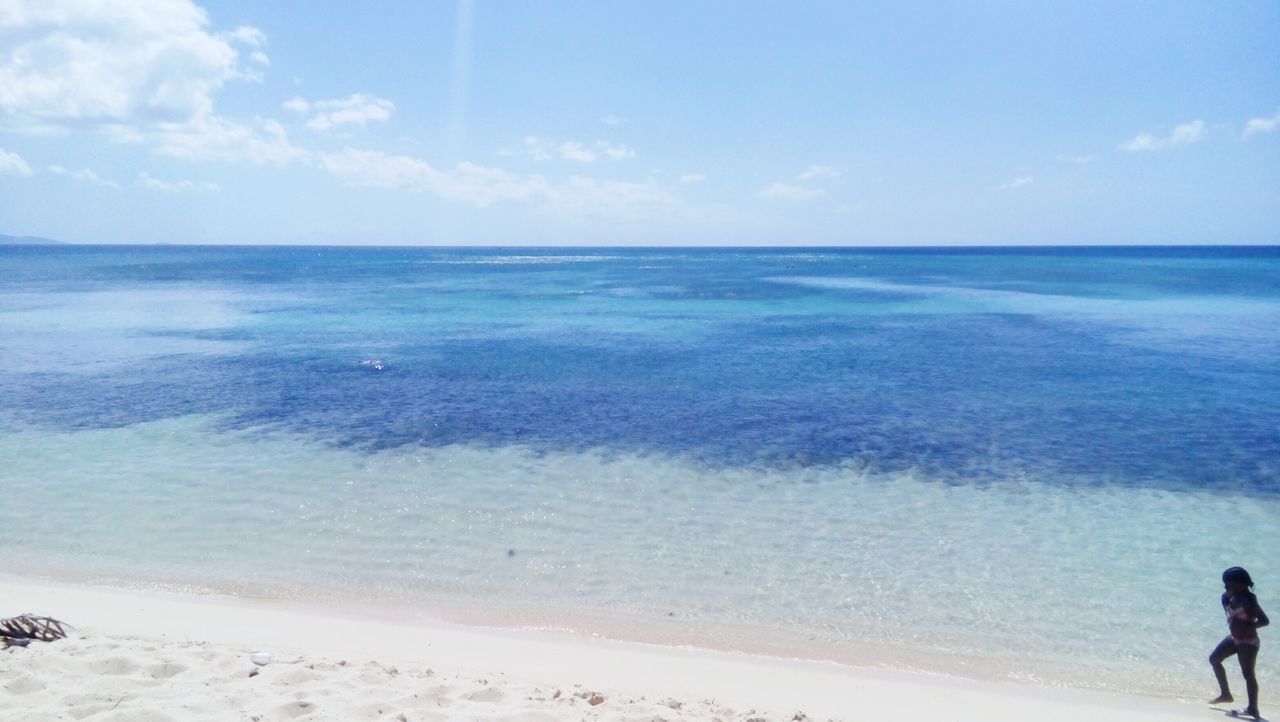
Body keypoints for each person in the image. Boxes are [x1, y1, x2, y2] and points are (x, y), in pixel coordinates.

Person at [1210, 566, 1269, 719]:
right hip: (1234, 638)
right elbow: (1231, 617)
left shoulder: (1249, 599)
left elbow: (1264, 621)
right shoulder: (1225, 597)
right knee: (1214, 659)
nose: (1226, 586)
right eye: (1225, 583)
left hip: (1248, 641)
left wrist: (1249, 626)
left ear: (1241, 584)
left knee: (1248, 674)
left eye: (1229, 583)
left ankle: (1253, 709)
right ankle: (1226, 694)